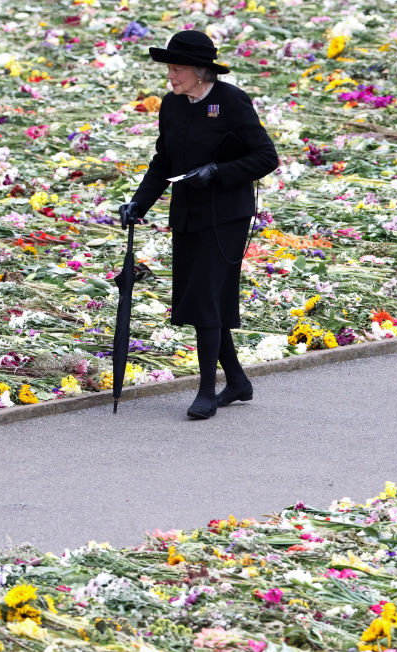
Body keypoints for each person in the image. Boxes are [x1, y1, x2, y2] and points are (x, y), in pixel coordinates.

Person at [119, 30, 279, 419]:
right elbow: (163, 162)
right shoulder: (172, 106)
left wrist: (218, 172)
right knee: (199, 298)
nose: (170, 77)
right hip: (188, 214)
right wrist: (139, 202)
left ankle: (207, 391)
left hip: (226, 216)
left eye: (176, 69)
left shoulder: (231, 101)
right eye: (170, 69)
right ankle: (237, 380)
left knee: (207, 298)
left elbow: (265, 157)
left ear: (201, 71)